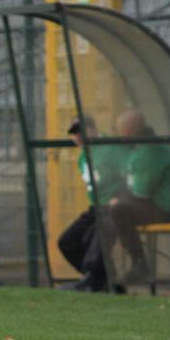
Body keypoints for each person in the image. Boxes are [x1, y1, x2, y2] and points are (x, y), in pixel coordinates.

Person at [106, 110, 170, 284]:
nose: (121, 136)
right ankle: (105, 267)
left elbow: (141, 193)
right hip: (164, 203)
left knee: (117, 211)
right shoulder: (146, 146)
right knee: (114, 210)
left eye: (123, 131)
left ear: (132, 130)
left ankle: (139, 265)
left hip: (168, 209)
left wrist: (119, 201)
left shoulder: (149, 152)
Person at [57, 116, 130, 293]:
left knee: (98, 232)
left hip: (116, 205)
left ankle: (92, 278)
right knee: (67, 241)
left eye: (80, 131)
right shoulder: (83, 157)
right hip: (97, 207)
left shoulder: (109, 149)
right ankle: (102, 279)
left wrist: (120, 197)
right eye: (74, 133)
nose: (78, 137)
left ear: (92, 129)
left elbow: (129, 175)